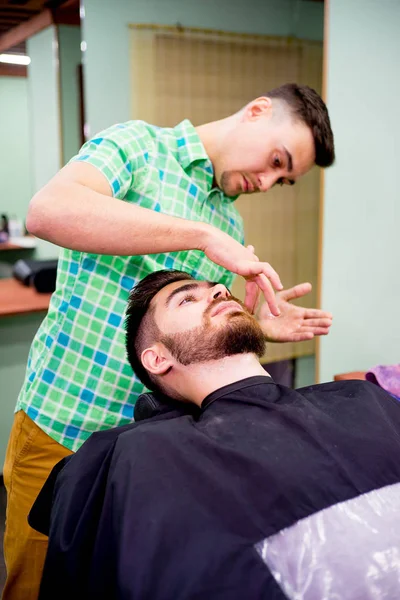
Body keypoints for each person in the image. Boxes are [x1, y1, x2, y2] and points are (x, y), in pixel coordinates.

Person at [2, 83, 335, 600]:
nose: (268, 182)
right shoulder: (137, 148)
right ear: (256, 110)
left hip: (149, 455)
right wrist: (200, 236)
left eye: (283, 179)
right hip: (62, 430)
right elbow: (48, 211)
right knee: (39, 588)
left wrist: (254, 324)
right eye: (275, 160)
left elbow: (190, 335)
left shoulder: (228, 219)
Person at [30, 269, 400, 600]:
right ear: (158, 359)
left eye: (218, 289)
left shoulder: (365, 398)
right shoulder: (145, 456)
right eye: (188, 299)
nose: (223, 290)